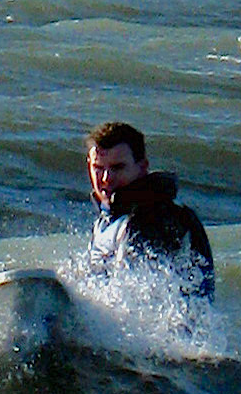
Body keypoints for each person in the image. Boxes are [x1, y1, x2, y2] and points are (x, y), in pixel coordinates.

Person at [85, 121, 215, 301]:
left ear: (142, 167)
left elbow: (139, 302)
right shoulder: (109, 218)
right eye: (98, 168)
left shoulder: (153, 218)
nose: (106, 178)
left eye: (117, 167)